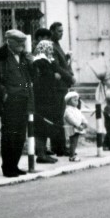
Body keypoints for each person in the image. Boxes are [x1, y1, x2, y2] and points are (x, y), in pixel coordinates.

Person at [0, 29, 34, 178]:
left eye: (22, 42)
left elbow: (33, 76)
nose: (21, 45)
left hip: (24, 100)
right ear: (9, 41)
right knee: (9, 135)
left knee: (20, 135)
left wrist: (32, 63)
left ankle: (15, 165)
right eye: (18, 42)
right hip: (9, 102)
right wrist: (3, 93)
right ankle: (7, 167)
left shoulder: (24, 57)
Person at [31, 39, 61, 164]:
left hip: (47, 98)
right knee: (41, 127)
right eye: (49, 49)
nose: (51, 52)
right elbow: (42, 80)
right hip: (42, 99)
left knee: (45, 126)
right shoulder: (40, 62)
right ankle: (41, 154)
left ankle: (42, 151)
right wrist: (54, 76)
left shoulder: (45, 61)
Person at [48, 22, 76, 158]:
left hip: (61, 86)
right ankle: (59, 148)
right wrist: (69, 77)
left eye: (62, 31)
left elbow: (61, 63)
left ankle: (60, 147)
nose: (61, 33)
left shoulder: (57, 45)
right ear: (52, 31)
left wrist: (67, 59)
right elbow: (56, 66)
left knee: (60, 116)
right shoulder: (51, 46)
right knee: (58, 117)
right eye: (59, 31)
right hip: (57, 87)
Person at [63, 91, 88, 162]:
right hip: (72, 128)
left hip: (77, 128)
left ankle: (73, 154)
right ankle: (72, 156)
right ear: (68, 101)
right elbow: (70, 118)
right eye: (74, 100)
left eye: (77, 100)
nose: (77, 102)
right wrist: (78, 125)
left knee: (75, 142)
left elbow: (81, 116)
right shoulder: (68, 110)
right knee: (73, 142)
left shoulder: (76, 109)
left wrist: (85, 122)